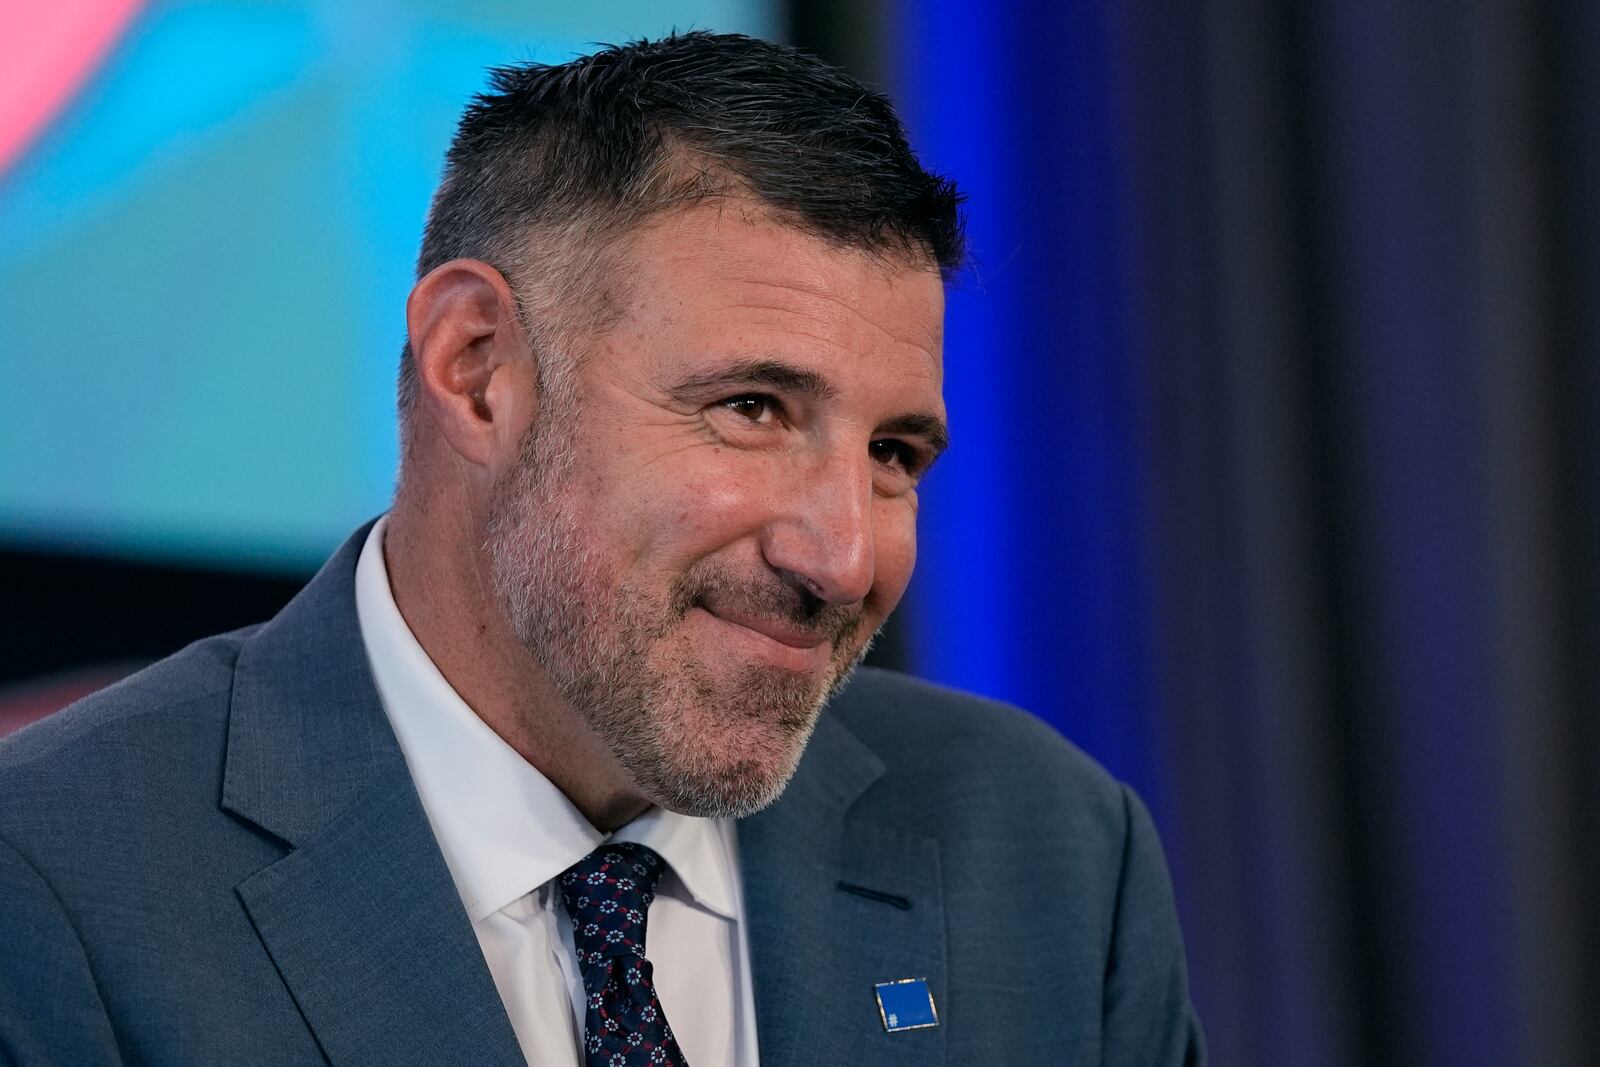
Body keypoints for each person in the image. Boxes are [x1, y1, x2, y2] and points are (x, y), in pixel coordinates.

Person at [0, 32, 1203, 1067]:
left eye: (894, 452)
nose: (840, 556)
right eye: (752, 408)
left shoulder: (1048, 852)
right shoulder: (54, 883)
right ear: (477, 369)